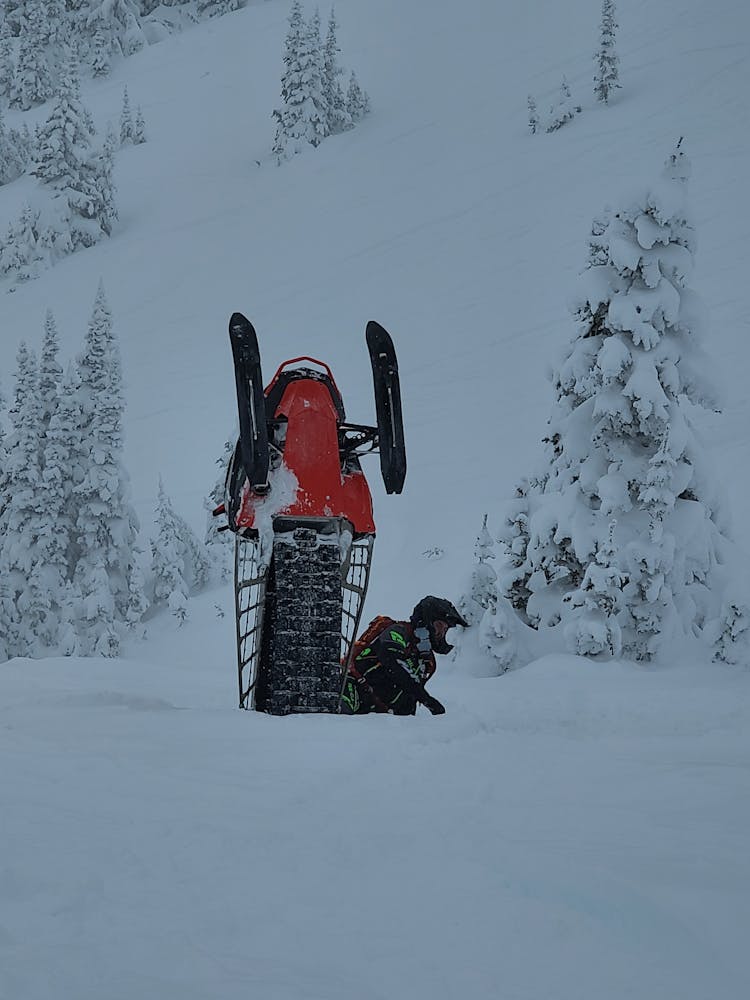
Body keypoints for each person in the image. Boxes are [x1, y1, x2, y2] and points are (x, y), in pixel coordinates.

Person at [341, 596, 468, 716]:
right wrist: (426, 699)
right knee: (339, 718)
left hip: (377, 716)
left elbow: (409, 695)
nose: (440, 633)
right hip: (352, 690)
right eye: (439, 626)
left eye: (445, 629)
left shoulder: (426, 662)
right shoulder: (398, 631)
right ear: (427, 621)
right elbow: (392, 661)